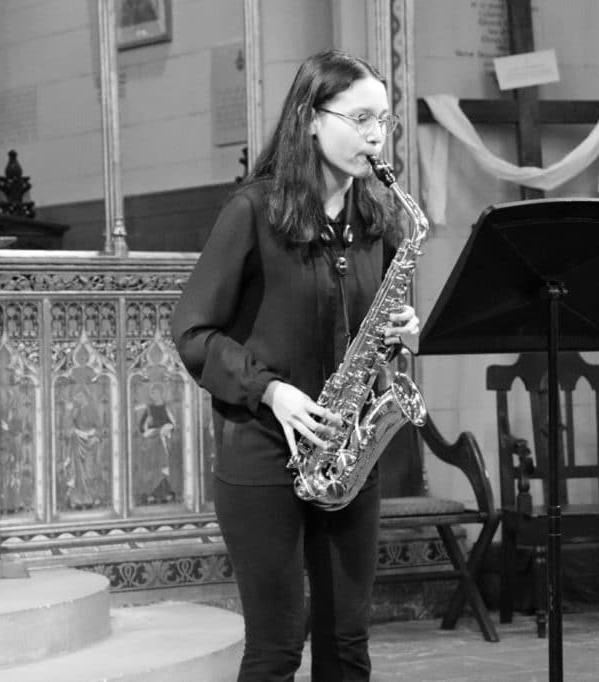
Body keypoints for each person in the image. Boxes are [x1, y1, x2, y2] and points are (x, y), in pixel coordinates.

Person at [171, 48, 420, 681]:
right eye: (360, 117)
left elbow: (372, 339)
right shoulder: (252, 212)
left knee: (347, 647)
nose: (375, 135)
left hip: (347, 456)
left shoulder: (379, 220)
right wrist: (272, 391)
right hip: (263, 454)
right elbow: (193, 331)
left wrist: (401, 335)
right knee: (277, 648)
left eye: (384, 121)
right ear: (311, 118)